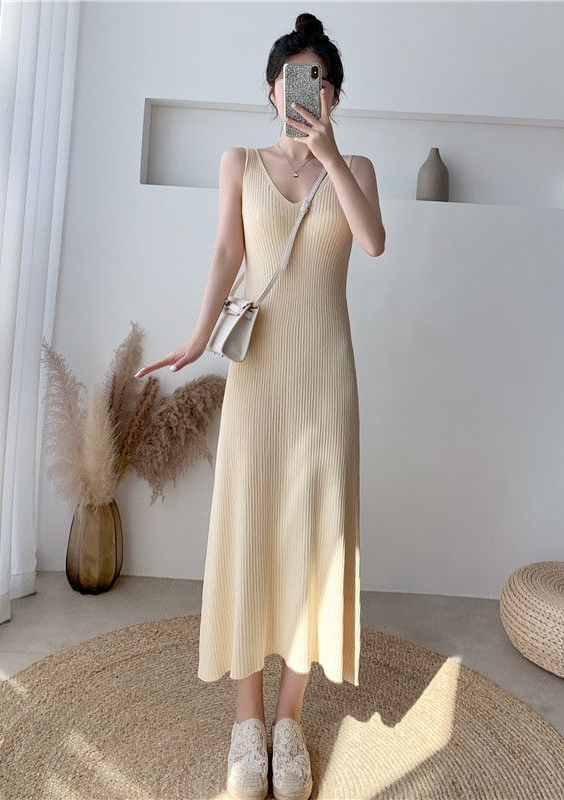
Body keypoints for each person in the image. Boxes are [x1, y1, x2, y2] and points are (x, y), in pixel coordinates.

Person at [136, 12, 384, 800]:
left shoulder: (356, 167)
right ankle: (247, 724)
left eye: (319, 81)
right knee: (248, 534)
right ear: (271, 89)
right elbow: (225, 253)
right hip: (259, 377)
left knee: (315, 541)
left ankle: (288, 722)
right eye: (292, 79)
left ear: (334, 94)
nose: (304, 91)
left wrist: (330, 157)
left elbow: (373, 241)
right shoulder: (239, 163)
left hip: (326, 380)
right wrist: (195, 337)